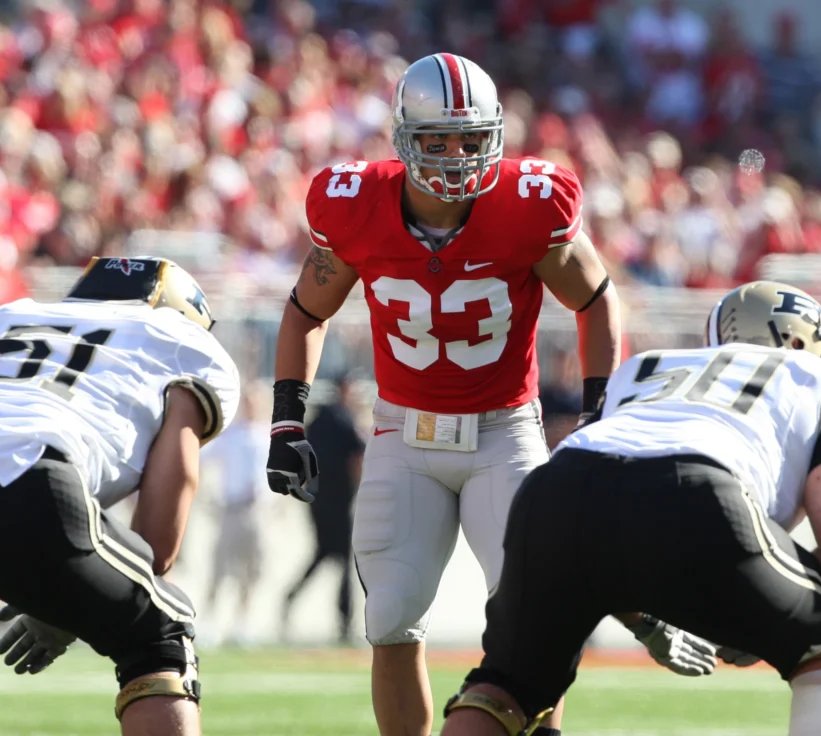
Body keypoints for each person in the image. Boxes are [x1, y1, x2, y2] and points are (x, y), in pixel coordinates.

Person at [266, 52, 621, 736]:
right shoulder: (355, 203)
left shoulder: (528, 204)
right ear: (405, 138)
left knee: (532, 619)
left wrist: (600, 414)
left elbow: (598, 301)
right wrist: (287, 422)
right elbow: (305, 312)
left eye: (471, 138)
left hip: (504, 433)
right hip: (405, 433)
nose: (457, 155)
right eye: (437, 139)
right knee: (391, 614)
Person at [441, 281, 821, 736]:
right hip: (696, 490)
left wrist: (645, 618)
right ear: (799, 340)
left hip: (553, 488)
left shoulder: (647, 367)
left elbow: (606, 501)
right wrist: (769, 617)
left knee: (506, 688)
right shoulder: (815, 377)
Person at [0, 256, 240, 736]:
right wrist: (69, 604)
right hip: (30, 471)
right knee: (159, 634)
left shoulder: (13, 318)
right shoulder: (179, 345)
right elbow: (156, 546)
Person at [281, 374, 364, 644]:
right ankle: (344, 619)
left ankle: (292, 596)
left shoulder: (317, 419)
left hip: (317, 499)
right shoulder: (343, 419)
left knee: (325, 554)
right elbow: (357, 457)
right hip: (338, 501)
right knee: (342, 560)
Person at [203, 382, 272, 644]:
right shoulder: (231, 435)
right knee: (221, 567)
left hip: (258, 510)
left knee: (252, 570)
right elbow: (205, 460)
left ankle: (243, 622)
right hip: (232, 508)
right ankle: (211, 621)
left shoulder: (268, 435)